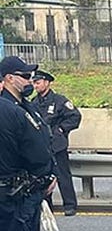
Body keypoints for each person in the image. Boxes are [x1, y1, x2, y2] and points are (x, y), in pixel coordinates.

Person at [0, 56, 53, 231]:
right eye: (23, 76)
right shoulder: (15, 112)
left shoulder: (20, 109)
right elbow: (38, 155)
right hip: (10, 192)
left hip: (12, 191)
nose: (29, 81)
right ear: (8, 78)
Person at [32, 70, 81, 217]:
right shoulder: (33, 103)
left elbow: (75, 117)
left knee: (63, 176)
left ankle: (70, 205)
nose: (35, 86)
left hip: (57, 145)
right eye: (34, 83)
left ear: (47, 82)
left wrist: (61, 129)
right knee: (43, 178)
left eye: (38, 82)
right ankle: (47, 206)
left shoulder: (59, 101)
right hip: (42, 146)